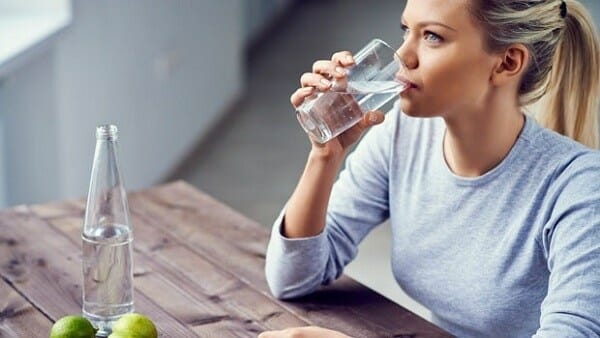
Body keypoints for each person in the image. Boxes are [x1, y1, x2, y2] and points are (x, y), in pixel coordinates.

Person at [260, 0, 600, 337]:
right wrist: (325, 155)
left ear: (507, 63)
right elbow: (292, 278)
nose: (402, 57)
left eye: (433, 36)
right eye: (407, 30)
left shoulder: (582, 187)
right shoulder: (402, 136)